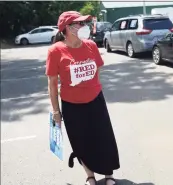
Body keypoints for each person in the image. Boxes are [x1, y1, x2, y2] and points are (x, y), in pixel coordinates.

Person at [46, 11, 120, 185]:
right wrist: (56, 111)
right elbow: (52, 84)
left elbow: (97, 69)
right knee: (81, 141)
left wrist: (90, 85)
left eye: (83, 23)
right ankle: (90, 175)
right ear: (68, 28)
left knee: (103, 137)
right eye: (79, 23)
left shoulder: (91, 45)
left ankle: (108, 174)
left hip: (95, 100)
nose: (83, 27)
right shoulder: (55, 51)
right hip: (71, 105)